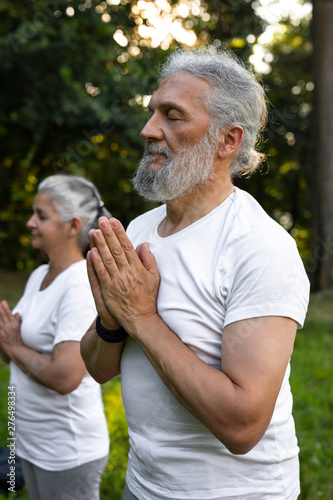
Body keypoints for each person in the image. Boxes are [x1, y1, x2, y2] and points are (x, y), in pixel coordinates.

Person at [81, 47, 310, 500]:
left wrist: (142, 318)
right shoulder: (139, 230)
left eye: (173, 116)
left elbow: (242, 427)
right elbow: (98, 369)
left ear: (227, 141)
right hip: (143, 487)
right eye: (151, 113)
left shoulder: (260, 247)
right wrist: (113, 319)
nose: (148, 130)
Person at [0, 174, 111, 500]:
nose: (31, 222)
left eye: (42, 216)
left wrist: (14, 345)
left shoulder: (78, 284)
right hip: (33, 445)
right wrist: (10, 342)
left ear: (73, 225)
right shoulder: (39, 275)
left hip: (67, 451)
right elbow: (9, 351)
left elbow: (65, 376)